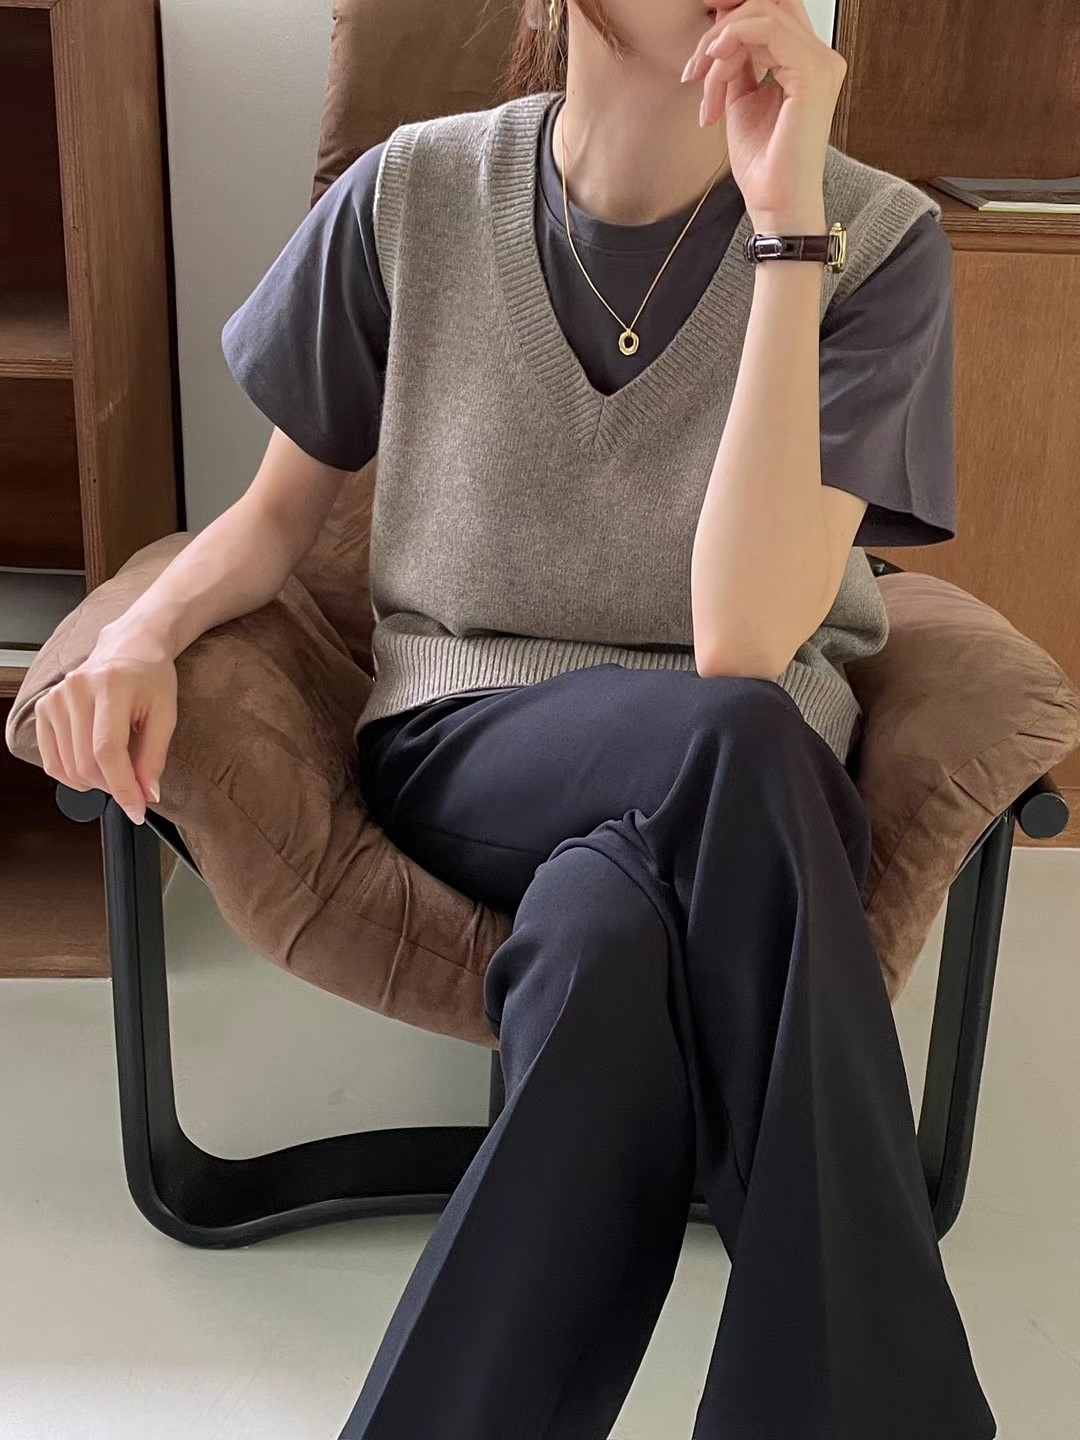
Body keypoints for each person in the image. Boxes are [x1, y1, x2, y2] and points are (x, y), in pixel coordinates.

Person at [33, 1, 997, 1436]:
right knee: (738, 748)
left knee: (611, 947)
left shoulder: (876, 238)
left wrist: (788, 232)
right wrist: (137, 632)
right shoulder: (411, 194)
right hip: (478, 733)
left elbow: (741, 645)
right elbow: (272, 518)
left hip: (749, 774)